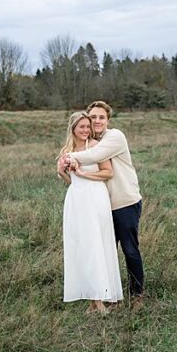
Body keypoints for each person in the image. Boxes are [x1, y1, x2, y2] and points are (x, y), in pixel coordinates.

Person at [60, 100, 145, 307]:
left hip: (124, 202)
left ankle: (137, 294)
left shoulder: (114, 137)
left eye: (101, 117)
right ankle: (109, 294)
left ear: (108, 120)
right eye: (93, 117)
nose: (97, 121)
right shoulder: (90, 140)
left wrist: (66, 157)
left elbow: (96, 156)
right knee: (105, 250)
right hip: (101, 205)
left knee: (129, 249)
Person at [57, 111, 123, 314]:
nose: (86, 130)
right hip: (76, 199)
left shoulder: (95, 147)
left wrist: (84, 172)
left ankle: (100, 299)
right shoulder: (67, 150)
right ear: (73, 129)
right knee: (82, 247)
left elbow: (107, 172)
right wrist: (63, 173)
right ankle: (91, 300)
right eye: (82, 127)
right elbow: (72, 181)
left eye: (88, 126)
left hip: (95, 197)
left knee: (96, 245)